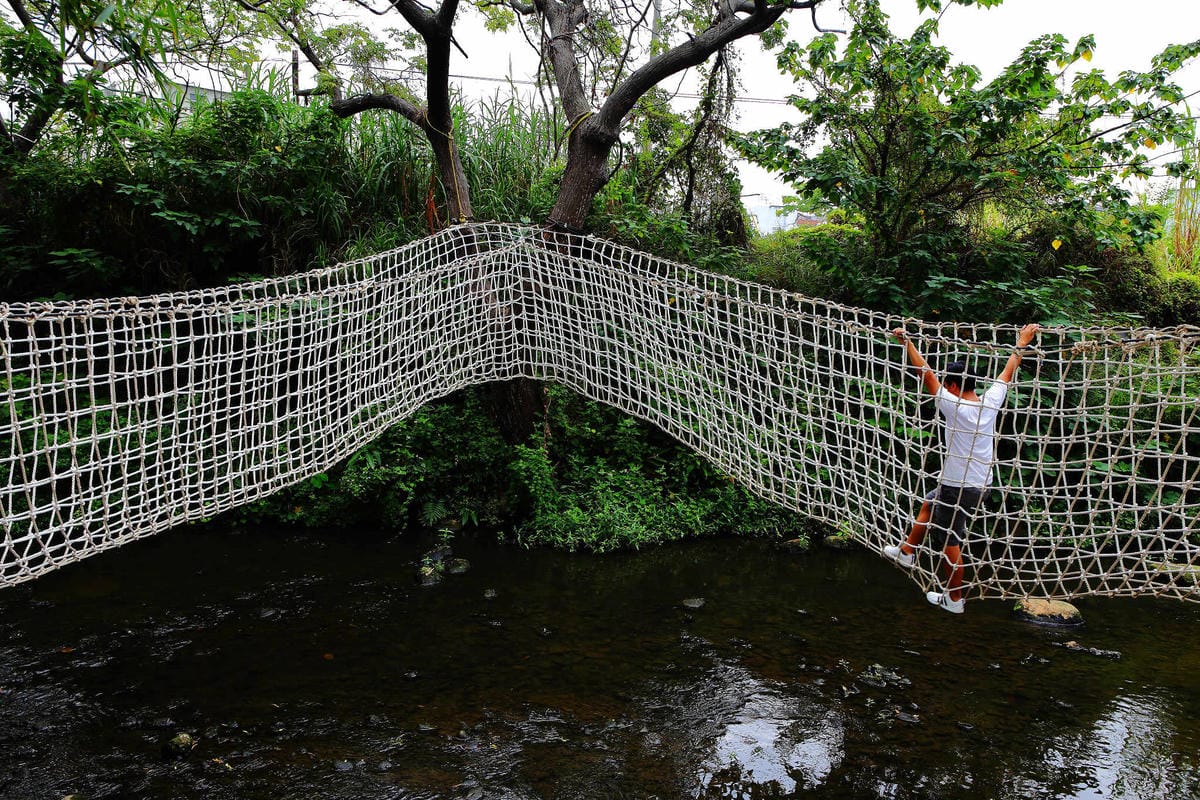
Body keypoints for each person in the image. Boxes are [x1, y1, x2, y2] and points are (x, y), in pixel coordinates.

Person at [884, 323, 1041, 614]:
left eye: (948, 384)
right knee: (929, 502)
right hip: (980, 484)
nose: (944, 387)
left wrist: (906, 342)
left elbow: (925, 374)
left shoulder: (952, 405)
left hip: (958, 486)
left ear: (955, 386)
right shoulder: (990, 401)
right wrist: (1023, 340)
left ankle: (954, 598)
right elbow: (1008, 371)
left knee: (949, 540)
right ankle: (907, 551)